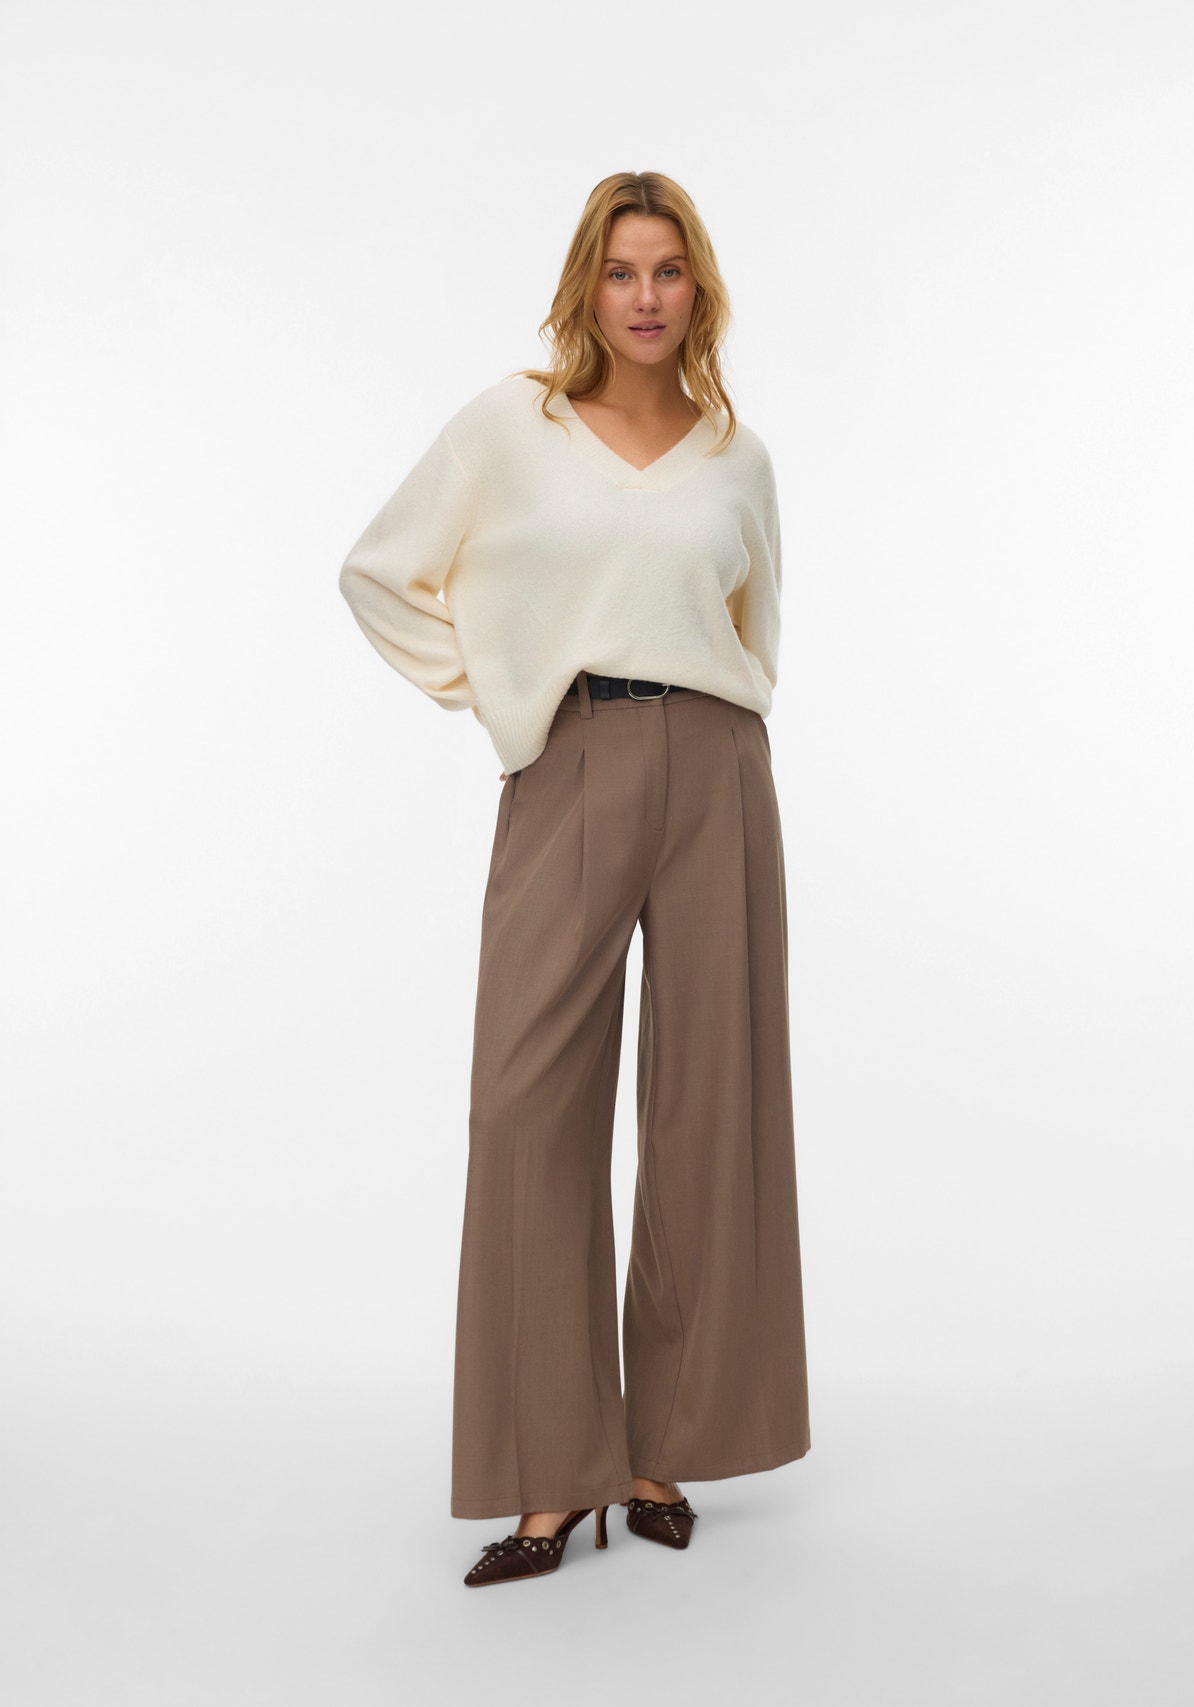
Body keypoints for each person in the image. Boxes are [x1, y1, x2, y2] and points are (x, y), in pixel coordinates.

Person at [337, 170, 810, 1589]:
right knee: (525, 1105)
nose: (646, 297)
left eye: (668, 270)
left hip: (718, 768)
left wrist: (713, 737)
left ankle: (662, 1452)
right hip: (571, 758)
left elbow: (757, 633)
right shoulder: (512, 424)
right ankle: (553, 1472)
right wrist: (504, 696)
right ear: (585, 289)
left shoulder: (737, 455)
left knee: (711, 1107)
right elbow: (380, 575)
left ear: (698, 287)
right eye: (620, 271)